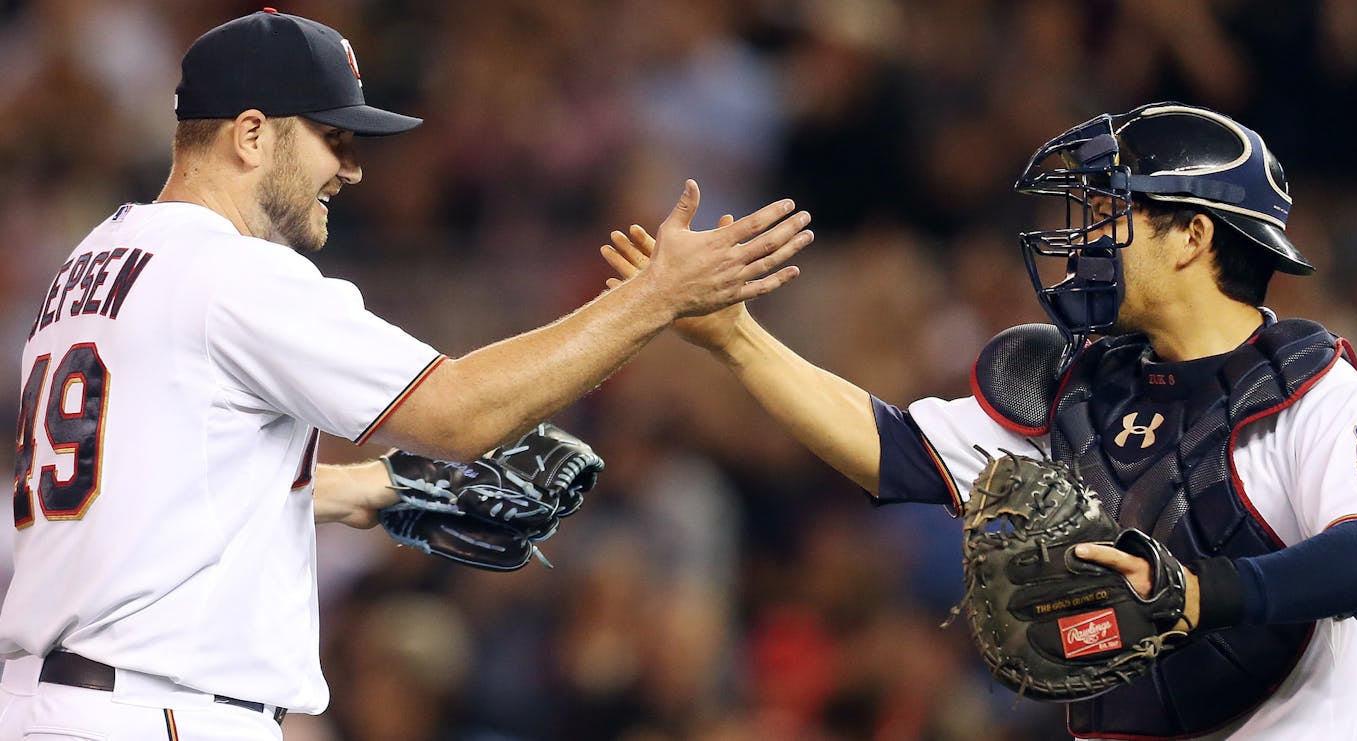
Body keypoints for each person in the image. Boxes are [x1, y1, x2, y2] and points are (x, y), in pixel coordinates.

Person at [0, 9, 813, 741]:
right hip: (160, 709)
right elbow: (459, 414)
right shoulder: (231, 273)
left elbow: (149, 490)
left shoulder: (97, 260)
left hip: (59, 703)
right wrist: (657, 296)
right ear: (250, 135)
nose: (351, 168)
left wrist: (374, 488)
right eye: (331, 135)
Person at [603, 102, 1357, 740]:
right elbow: (892, 449)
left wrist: (1203, 593)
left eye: (1117, 209)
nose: (1088, 233)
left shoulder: (1316, 392)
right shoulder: (1080, 390)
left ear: (1194, 235)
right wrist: (736, 339)